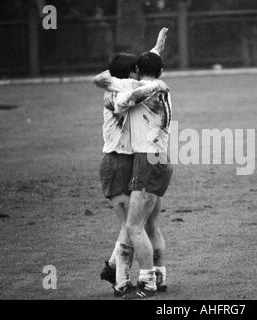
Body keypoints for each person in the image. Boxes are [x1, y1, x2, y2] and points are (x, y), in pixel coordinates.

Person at [94, 27, 169, 297]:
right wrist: (156, 79)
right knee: (131, 228)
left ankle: (117, 271)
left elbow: (146, 71)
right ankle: (121, 282)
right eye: (135, 69)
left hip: (135, 162)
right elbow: (144, 81)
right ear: (129, 75)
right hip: (117, 164)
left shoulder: (132, 87)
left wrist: (155, 51)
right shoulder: (118, 95)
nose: (139, 72)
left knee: (133, 228)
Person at [110, 52, 173, 299]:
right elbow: (151, 71)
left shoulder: (146, 89)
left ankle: (147, 283)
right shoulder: (161, 87)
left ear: (137, 69)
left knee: (134, 226)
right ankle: (159, 275)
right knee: (150, 225)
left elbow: (119, 102)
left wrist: (149, 83)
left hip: (147, 160)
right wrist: (157, 51)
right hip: (161, 158)